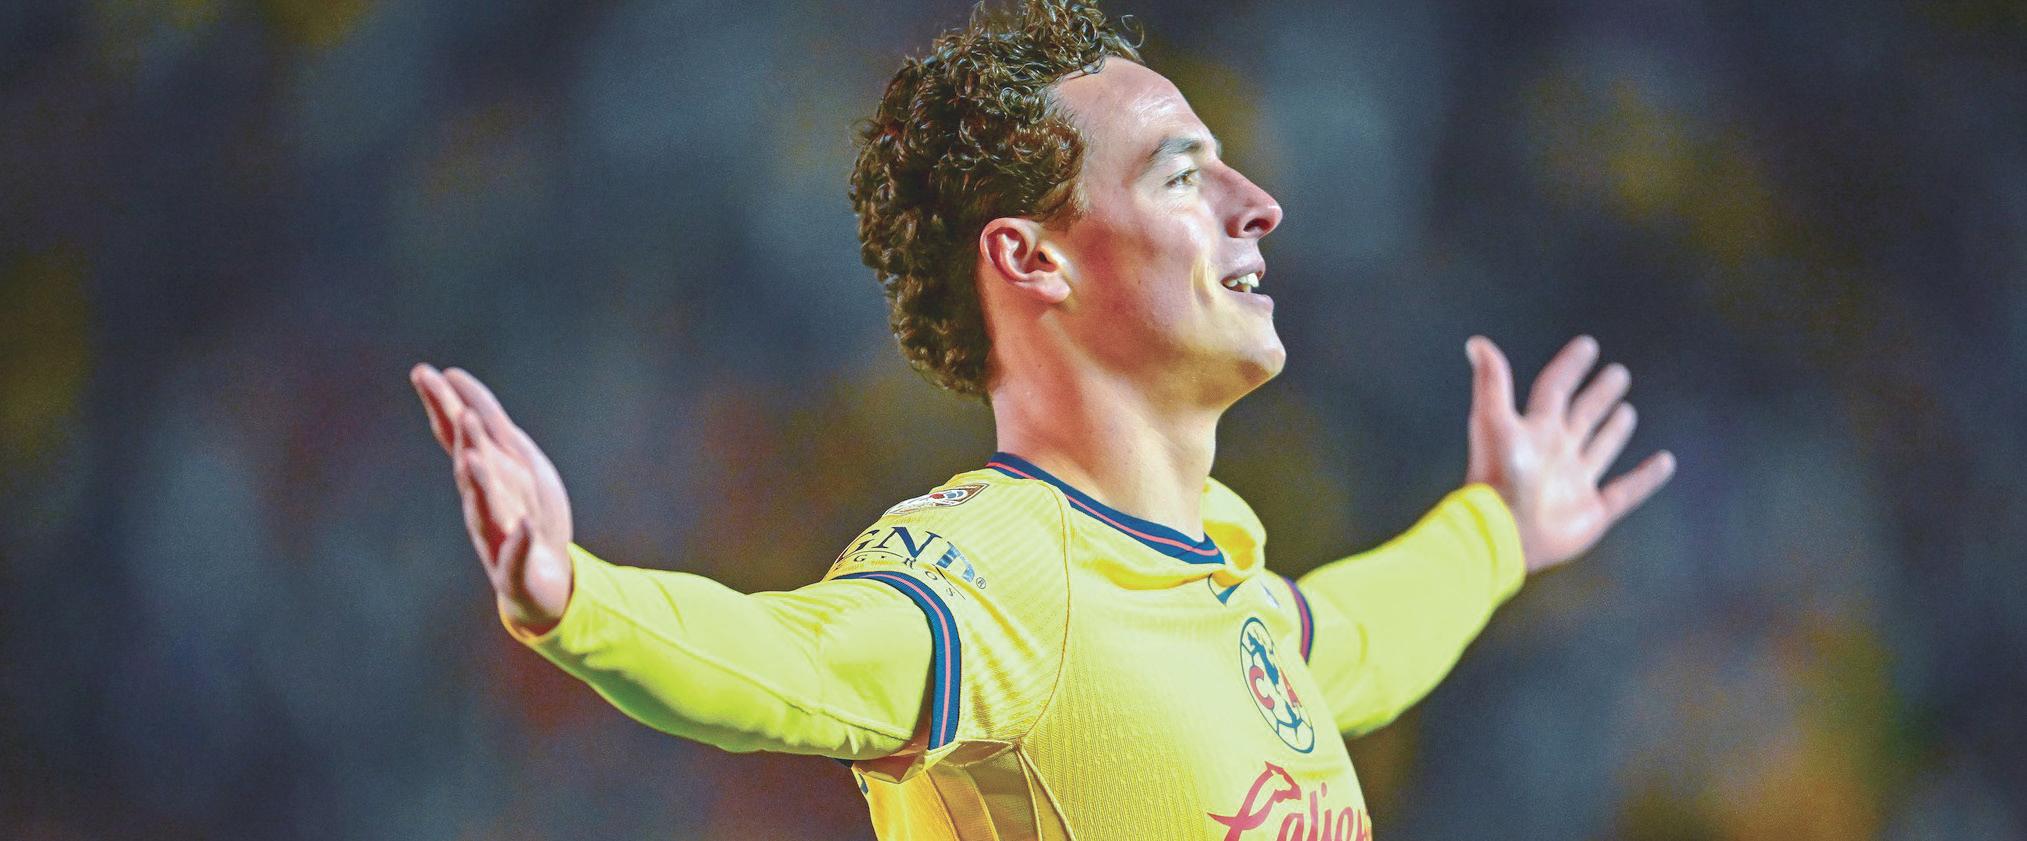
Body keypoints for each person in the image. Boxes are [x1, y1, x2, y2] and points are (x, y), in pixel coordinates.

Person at [407, 1, 1675, 837]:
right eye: (1180, 175)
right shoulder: (1000, 572)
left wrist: (1495, 529)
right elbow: (795, 665)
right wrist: (574, 596)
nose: (1257, 202)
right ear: (1033, 259)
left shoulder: (1218, 561)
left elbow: (1350, 638)